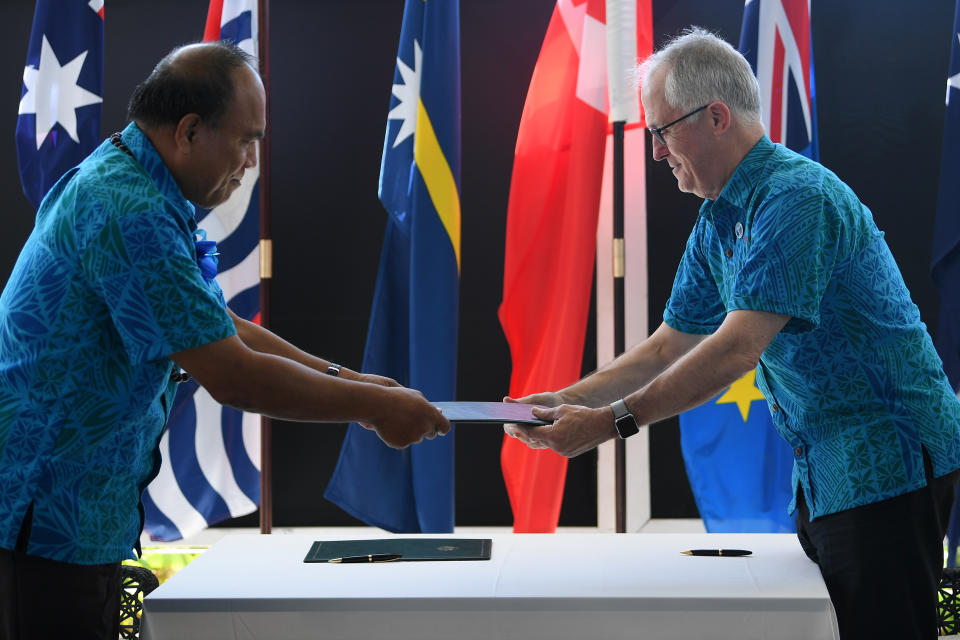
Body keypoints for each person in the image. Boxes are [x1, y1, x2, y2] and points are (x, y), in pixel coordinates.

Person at [505, 27, 960, 640]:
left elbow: (740, 345)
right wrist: (566, 400)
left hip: (889, 469)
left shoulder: (796, 198)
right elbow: (669, 344)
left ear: (716, 116)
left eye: (661, 132)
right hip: (827, 476)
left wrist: (611, 423)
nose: (658, 153)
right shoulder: (719, 216)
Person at [0, 41, 449, 640]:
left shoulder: (137, 182)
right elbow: (231, 374)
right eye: (245, 140)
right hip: (46, 524)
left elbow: (216, 324)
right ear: (189, 131)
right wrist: (372, 409)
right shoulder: (128, 208)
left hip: (73, 520)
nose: (250, 161)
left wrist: (353, 382)